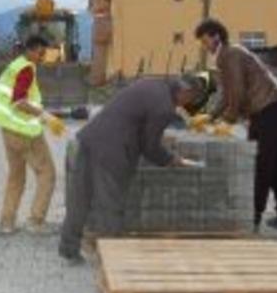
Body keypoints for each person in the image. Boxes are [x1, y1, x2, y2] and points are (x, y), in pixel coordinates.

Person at [58, 74, 209, 264]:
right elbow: (149, 146)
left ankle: (68, 248)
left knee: (80, 198)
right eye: (191, 99)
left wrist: (157, 137)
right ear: (185, 91)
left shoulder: (151, 83)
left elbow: (134, 119)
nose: (188, 104)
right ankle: (110, 259)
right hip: (113, 150)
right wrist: (170, 159)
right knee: (110, 204)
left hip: (90, 139)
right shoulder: (164, 107)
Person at [194, 18, 277, 232]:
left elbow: (237, 92)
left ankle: (253, 216)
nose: (204, 46)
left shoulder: (230, 54)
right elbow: (227, 94)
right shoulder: (227, 55)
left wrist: (228, 121)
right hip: (274, 108)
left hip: (269, 110)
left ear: (216, 36)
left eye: (205, 40)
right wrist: (211, 117)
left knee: (261, 164)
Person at [0, 35, 66, 235]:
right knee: (47, 173)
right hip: (25, 131)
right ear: (31, 50)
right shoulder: (25, 69)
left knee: (16, 176)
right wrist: (46, 117)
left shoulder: (14, 66)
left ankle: (7, 222)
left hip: (8, 129)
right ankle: (36, 221)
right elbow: (19, 102)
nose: (42, 57)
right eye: (40, 53)